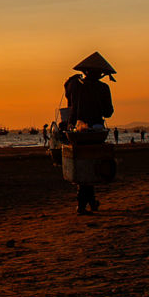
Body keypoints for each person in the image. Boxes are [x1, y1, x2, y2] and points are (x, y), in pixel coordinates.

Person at [63, 52, 116, 215]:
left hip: (76, 132)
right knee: (89, 164)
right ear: (100, 73)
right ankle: (85, 202)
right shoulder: (102, 88)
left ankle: (87, 201)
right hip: (96, 132)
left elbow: (69, 104)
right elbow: (108, 112)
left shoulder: (74, 85)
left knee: (82, 164)